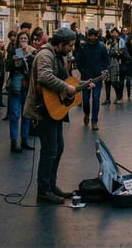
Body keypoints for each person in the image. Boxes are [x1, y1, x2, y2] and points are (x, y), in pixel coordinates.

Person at [24, 27, 90, 204]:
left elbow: (66, 81)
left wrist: (81, 84)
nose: (71, 49)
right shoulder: (46, 55)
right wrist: (66, 88)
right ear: (59, 44)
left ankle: (51, 185)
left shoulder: (58, 56)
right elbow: (44, 77)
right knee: (49, 150)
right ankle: (43, 190)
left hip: (54, 110)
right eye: (69, 45)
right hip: (44, 109)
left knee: (58, 148)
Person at [5, 31, 35, 153]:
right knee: (15, 114)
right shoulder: (13, 51)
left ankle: (24, 139)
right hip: (16, 85)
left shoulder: (33, 51)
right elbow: (7, 66)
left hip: (27, 85)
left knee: (26, 114)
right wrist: (13, 60)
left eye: (25, 38)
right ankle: (13, 141)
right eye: (21, 38)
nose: (23, 40)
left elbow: (35, 67)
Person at [75, 28, 109, 130]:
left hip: (97, 78)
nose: (92, 38)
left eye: (94, 36)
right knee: (85, 100)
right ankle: (86, 114)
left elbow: (106, 61)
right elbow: (78, 61)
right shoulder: (83, 47)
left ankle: (94, 121)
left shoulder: (102, 47)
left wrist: (101, 70)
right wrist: (83, 71)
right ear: (88, 36)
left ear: (97, 36)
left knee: (95, 99)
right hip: (85, 78)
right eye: (91, 35)